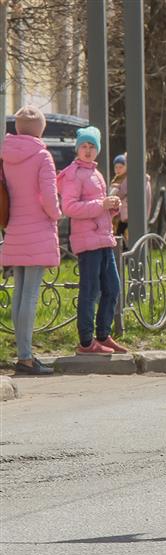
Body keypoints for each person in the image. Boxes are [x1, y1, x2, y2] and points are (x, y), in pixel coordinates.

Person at [1, 106, 60, 375]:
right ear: (40, 129)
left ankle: (22, 353)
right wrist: (57, 214)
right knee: (31, 295)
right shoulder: (42, 156)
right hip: (37, 230)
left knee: (19, 293)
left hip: (14, 228)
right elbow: (49, 196)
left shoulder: (5, 154)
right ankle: (26, 357)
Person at [59, 126, 127, 355]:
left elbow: (98, 208)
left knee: (113, 288)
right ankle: (86, 342)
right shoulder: (74, 174)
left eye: (92, 147)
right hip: (87, 243)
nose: (87, 151)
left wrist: (112, 209)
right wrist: (101, 205)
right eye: (84, 146)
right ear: (77, 149)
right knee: (90, 291)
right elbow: (69, 207)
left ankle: (103, 335)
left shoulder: (96, 174)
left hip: (103, 239)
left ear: (97, 150)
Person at [109, 153, 151, 241]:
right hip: (135, 216)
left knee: (123, 240)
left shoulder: (132, 177)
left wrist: (115, 188)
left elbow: (120, 193)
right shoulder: (144, 178)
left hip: (128, 216)